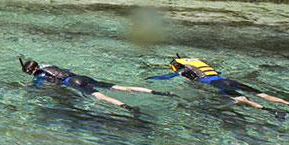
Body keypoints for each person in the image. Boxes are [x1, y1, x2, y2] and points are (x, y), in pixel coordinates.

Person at [146, 55, 289, 117]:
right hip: (226, 79)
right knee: (261, 94)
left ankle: (271, 110)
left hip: (218, 83)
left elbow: (167, 77)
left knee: (242, 98)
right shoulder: (199, 63)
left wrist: (152, 78)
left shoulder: (182, 71)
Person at [21, 58, 178, 116]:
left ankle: (129, 108)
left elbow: (38, 86)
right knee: (119, 87)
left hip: (74, 83)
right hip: (80, 77)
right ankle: (159, 93)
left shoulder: (39, 75)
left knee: (101, 96)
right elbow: (65, 72)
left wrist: (27, 88)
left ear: (31, 71)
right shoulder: (49, 65)